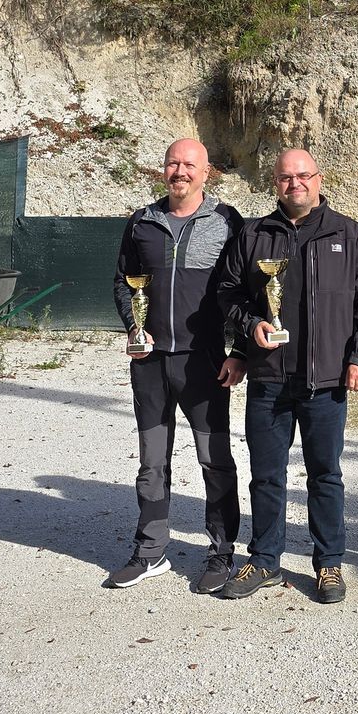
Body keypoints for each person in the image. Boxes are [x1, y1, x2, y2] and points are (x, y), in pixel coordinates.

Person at [214, 148, 358, 604]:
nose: (296, 184)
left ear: (319, 179)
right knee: (266, 476)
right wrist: (252, 326)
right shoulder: (254, 235)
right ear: (275, 183)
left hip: (326, 382)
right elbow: (228, 293)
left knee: (325, 475)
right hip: (268, 380)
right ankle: (265, 560)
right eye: (286, 177)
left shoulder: (349, 234)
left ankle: (329, 562)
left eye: (303, 175)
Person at [107, 138, 245, 593]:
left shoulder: (227, 222)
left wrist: (240, 352)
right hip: (149, 363)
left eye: (189, 164)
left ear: (206, 173)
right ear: (163, 169)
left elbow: (246, 292)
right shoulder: (142, 222)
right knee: (151, 463)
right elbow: (123, 283)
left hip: (204, 363)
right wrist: (133, 327)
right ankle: (150, 551)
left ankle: (221, 551)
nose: (179, 171)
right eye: (172, 163)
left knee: (214, 462)